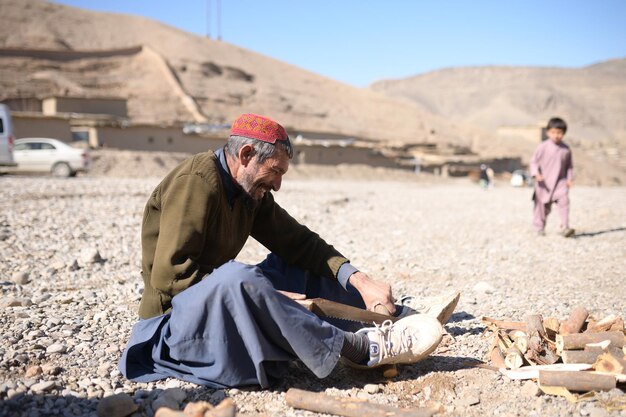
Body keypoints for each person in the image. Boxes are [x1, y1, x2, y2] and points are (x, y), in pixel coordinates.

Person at [119, 113, 459, 388]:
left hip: (218, 300)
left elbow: (299, 242)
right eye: (275, 171)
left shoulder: (249, 191)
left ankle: (392, 314)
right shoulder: (196, 182)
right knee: (241, 277)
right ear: (247, 155)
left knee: (293, 264)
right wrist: (266, 295)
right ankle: (358, 348)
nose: (278, 184)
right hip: (173, 325)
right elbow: (171, 277)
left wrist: (359, 280)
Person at [530, 117, 574, 237]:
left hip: (560, 183)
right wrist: (536, 174)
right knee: (542, 208)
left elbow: (569, 166)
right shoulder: (542, 147)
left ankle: (565, 227)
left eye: (559, 133)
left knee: (564, 202)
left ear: (564, 133)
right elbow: (533, 162)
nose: (556, 135)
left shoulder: (566, 149)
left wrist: (569, 179)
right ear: (548, 132)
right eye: (553, 132)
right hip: (544, 184)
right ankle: (539, 227)